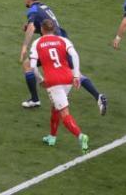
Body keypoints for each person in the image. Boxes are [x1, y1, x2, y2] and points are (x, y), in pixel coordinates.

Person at [18, 0, 107, 114]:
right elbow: (46, 27)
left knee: (28, 65)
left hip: (51, 44)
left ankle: (36, 98)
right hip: (62, 41)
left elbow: (32, 27)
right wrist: (33, 28)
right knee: (74, 72)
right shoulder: (44, 7)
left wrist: (24, 46)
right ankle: (98, 97)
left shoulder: (33, 10)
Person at [29, 19, 89, 153]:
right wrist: (76, 75)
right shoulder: (63, 40)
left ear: (42, 30)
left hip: (53, 81)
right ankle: (52, 136)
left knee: (64, 112)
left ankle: (80, 136)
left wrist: (40, 80)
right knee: (55, 107)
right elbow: (74, 55)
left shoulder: (37, 43)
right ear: (54, 29)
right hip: (67, 78)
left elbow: (32, 66)